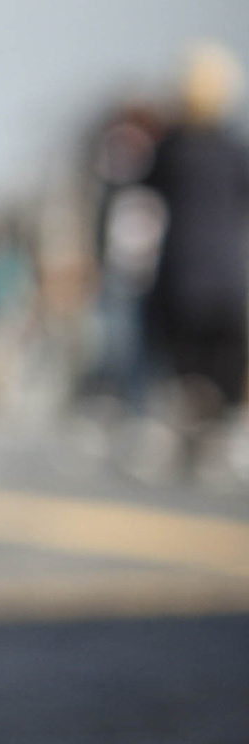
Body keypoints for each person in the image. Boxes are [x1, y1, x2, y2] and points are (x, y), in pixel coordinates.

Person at [142, 41, 249, 475]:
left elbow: (144, 190)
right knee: (222, 369)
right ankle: (217, 443)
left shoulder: (170, 150)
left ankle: (189, 442)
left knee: (184, 370)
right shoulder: (234, 152)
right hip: (227, 275)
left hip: (181, 275)